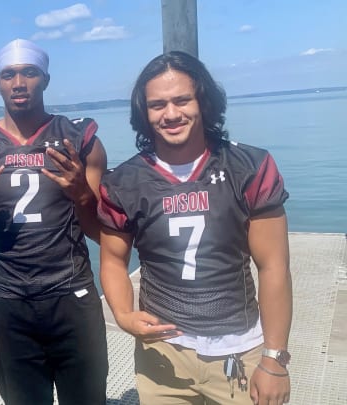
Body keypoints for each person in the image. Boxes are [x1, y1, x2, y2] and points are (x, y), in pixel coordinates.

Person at [98, 50, 292, 405]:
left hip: (240, 349)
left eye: (182, 100)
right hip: (163, 353)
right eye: (157, 105)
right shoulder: (123, 182)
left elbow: (273, 265)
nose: (171, 114)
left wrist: (274, 358)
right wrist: (124, 315)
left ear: (203, 101)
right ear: (143, 112)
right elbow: (112, 260)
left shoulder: (249, 167)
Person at [0, 38, 109, 405]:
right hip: (11, 302)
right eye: (9, 75)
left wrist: (82, 194)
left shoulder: (79, 140)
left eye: (29, 73)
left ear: (45, 79)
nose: (19, 82)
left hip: (71, 296)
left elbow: (104, 234)